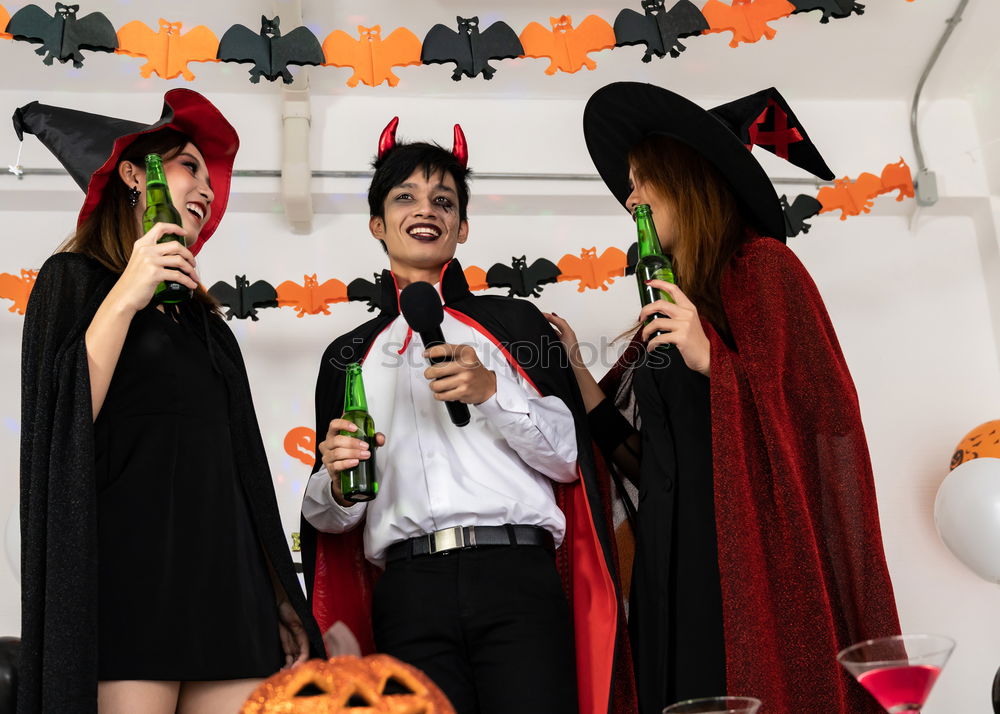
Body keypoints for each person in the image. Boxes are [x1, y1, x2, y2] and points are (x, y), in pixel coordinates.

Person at [544, 82, 901, 714]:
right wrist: (575, 367)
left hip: (742, 561)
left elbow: (823, 419)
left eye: (638, 181)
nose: (629, 199)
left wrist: (712, 360)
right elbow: (647, 463)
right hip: (667, 569)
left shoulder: (762, 268)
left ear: (682, 182)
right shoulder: (670, 303)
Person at [300, 118, 635, 714]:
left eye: (443, 200)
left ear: (461, 226)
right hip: (407, 592)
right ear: (377, 223)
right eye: (404, 196)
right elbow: (329, 522)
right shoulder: (347, 356)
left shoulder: (519, 326)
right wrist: (336, 481)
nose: (424, 209)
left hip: (517, 578)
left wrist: (491, 392)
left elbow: (570, 461)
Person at [16, 89, 324, 714]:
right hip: (128, 581)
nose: (208, 189)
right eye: (191, 165)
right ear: (135, 172)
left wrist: (277, 596)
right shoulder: (72, 282)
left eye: (211, 178)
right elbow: (63, 418)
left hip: (227, 586)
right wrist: (130, 291)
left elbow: (240, 472)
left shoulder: (208, 325)